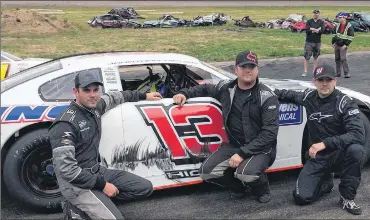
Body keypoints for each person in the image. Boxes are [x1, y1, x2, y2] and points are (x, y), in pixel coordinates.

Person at [49, 71, 163, 219]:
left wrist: (143, 96)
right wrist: (103, 185)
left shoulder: (95, 107)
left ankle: (98, 203)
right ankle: (75, 209)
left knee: (144, 188)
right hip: (75, 184)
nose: (92, 95)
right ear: (75, 92)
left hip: (96, 172)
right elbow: (68, 171)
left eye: (96, 90)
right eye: (86, 90)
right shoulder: (64, 124)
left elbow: (116, 97)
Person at [172, 50, 279, 203]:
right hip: (235, 145)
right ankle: (238, 188)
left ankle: (261, 189)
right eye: (243, 67)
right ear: (236, 69)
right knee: (206, 172)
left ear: (257, 69)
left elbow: (269, 134)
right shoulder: (226, 88)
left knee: (246, 173)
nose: (247, 70)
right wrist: (184, 93)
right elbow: (204, 88)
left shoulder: (267, 97)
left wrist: (242, 153)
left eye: (251, 66)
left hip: (262, 148)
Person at [273, 64, 365, 215]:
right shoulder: (309, 96)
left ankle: (347, 197)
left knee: (356, 150)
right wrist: (270, 93)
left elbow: (358, 134)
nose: (324, 83)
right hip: (319, 157)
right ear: (313, 81)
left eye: (328, 80)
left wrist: (325, 143)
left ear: (335, 81)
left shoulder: (345, 102)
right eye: (320, 80)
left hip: (339, 154)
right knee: (301, 197)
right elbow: (288, 94)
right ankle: (326, 182)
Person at [302, 9, 325, 77]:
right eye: (314, 13)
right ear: (313, 14)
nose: (316, 14)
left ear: (319, 14)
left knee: (316, 57)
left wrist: (313, 29)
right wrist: (316, 30)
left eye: (317, 13)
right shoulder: (309, 21)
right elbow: (307, 30)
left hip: (317, 42)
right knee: (307, 56)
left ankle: (314, 71)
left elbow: (323, 30)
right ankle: (305, 71)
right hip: (309, 41)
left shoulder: (321, 22)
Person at [332, 13, 355, 78]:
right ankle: (338, 73)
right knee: (337, 59)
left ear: (343, 18)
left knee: (343, 59)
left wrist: (346, 45)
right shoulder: (337, 25)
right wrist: (333, 43)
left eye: (339, 18)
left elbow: (351, 37)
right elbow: (334, 34)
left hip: (343, 45)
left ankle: (346, 73)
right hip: (337, 44)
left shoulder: (349, 26)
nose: (338, 19)